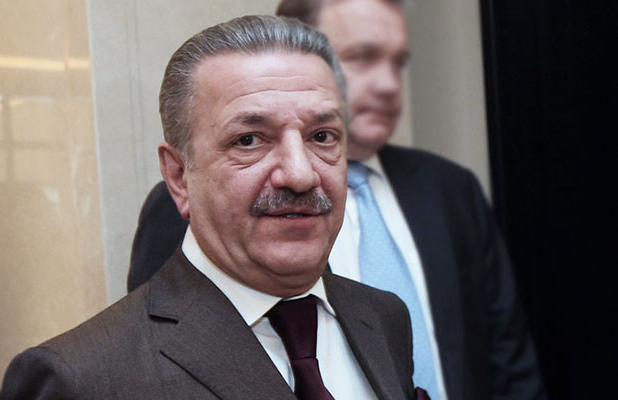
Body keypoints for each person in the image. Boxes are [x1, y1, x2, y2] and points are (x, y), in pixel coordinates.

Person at [127, 1, 546, 399]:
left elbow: (507, 362)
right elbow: (160, 356)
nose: (388, 84)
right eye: (361, 58)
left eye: (396, 62)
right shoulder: (191, 204)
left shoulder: (449, 189)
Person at [0, 15, 425, 399]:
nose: (300, 175)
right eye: (249, 140)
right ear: (178, 176)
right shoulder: (82, 378)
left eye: (322, 136)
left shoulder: (382, 319)